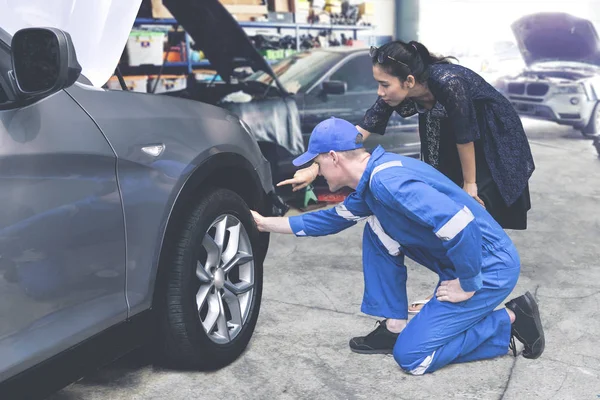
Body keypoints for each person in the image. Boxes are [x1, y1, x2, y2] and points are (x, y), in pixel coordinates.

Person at [254, 116, 544, 375]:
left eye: (316, 163)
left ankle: (511, 320)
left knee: (413, 357)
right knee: (378, 227)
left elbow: (461, 223)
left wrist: (467, 284)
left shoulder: (387, 182)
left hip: (488, 269)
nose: (316, 171)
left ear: (333, 157)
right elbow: (329, 220)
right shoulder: (374, 179)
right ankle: (395, 326)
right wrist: (263, 223)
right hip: (462, 262)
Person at [278, 40, 535, 314]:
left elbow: (465, 133)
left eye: (384, 85)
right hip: (448, 137)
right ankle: (453, 286)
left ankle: (472, 292)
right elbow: (357, 133)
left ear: (409, 81)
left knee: (473, 213)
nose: (380, 91)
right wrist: (315, 165)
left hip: (488, 142)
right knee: (442, 211)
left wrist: (470, 185)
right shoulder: (399, 88)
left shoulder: (448, 81)